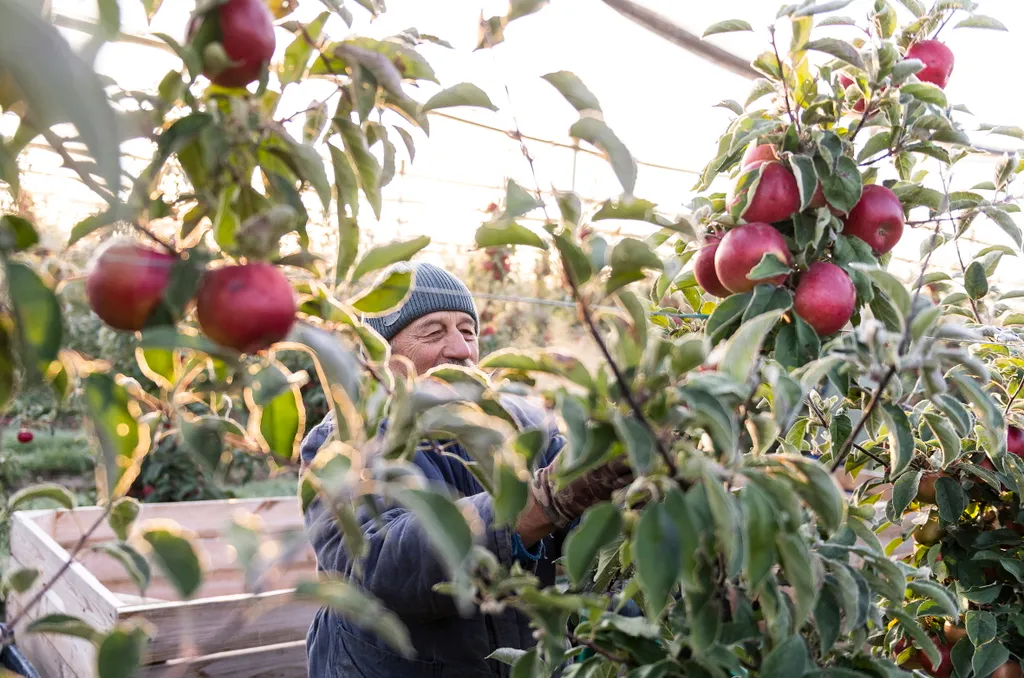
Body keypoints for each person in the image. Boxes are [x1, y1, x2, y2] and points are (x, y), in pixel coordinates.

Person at [300, 262, 632, 677]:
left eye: (468, 331)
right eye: (434, 332)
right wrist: (536, 506)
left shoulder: (517, 425)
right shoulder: (345, 443)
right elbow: (381, 567)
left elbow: (597, 533)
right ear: (382, 356)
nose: (461, 350)